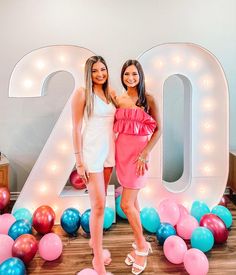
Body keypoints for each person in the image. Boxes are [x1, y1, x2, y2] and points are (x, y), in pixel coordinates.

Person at [113, 60, 161, 275]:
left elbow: (159, 129)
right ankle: (140, 242)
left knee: (125, 205)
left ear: (140, 75)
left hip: (137, 158)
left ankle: (141, 247)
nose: (130, 78)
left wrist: (145, 152)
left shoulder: (148, 98)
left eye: (134, 74)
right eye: (126, 74)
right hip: (121, 154)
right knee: (134, 204)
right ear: (122, 76)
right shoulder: (119, 100)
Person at [71, 56, 116, 275]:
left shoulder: (110, 93)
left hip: (109, 153)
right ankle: (98, 261)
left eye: (103, 69)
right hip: (91, 154)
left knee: (101, 203)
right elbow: (76, 128)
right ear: (89, 73)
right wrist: (79, 160)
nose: (100, 74)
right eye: (95, 71)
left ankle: (94, 244)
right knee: (98, 206)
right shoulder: (82, 93)